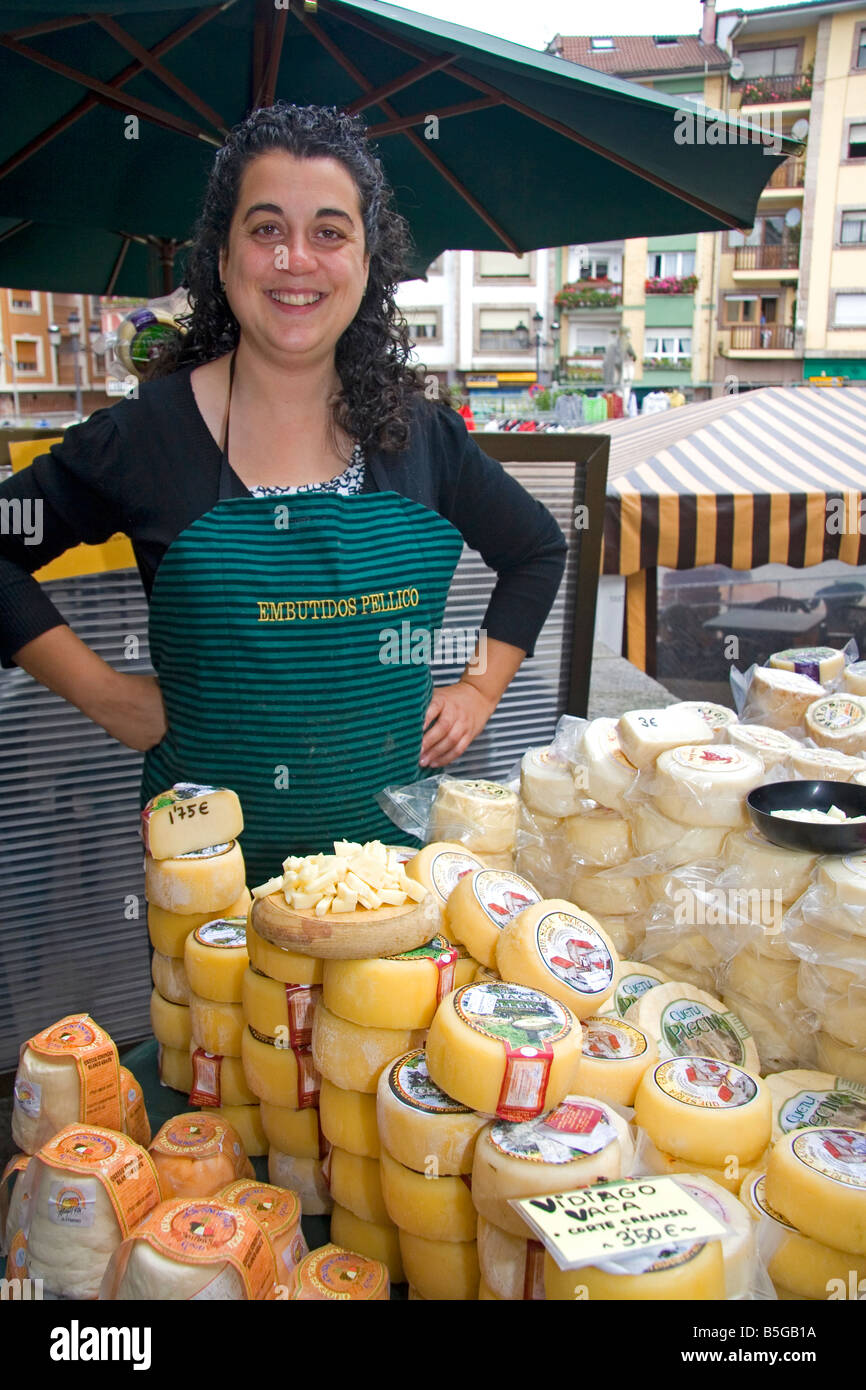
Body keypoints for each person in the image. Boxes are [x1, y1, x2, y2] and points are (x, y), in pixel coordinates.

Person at [0, 104, 567, 886]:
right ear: (224, 259)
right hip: (208, 895)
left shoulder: (426, 437)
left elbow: (538, 548)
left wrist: (477, 688)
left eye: (330, 232)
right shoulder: (145, 438)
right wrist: (104, 695)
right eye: (266, 229)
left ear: (368, 264)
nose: (296, 258)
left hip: (387, 885)